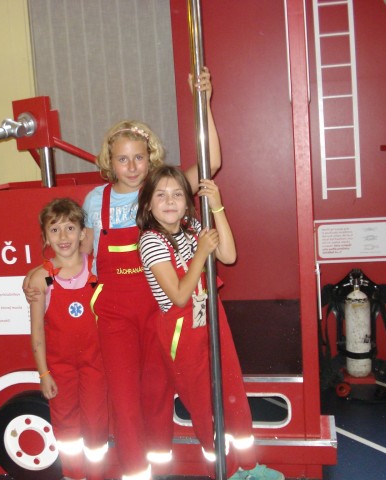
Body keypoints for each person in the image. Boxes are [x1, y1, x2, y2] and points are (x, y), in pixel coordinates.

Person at [26, 67, 220, 480]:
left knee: (157, 393)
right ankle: (135, 471)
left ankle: (159, 469)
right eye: (122, 158)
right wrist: (41, 269)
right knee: (124, 400)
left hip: (159, 311)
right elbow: (74, 251)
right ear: (109, 162)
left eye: (139, 157)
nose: (132, 166)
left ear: (151, 158)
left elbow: (212, 162)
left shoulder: (162, 192)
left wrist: (202, 101)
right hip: (113, 317)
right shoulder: (95, 200)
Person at [136, 165, 285, 480]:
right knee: (205, 407)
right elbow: (179, 296)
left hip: (211, 316)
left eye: (177, 194)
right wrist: (201, 253)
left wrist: (217, 207)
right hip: (181, 329)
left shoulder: (191, 226)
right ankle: (225, 472)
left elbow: (228, 255)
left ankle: (249, 466)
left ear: (187, 201)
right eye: (161, 195)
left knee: (232, 393)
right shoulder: (150, 241)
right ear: (148, 203)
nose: (170, 201)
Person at [27, 198, 108, 480]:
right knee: (66, 427)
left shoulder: (97, 270)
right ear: (45, 237)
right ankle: (73, 474)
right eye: (55, 229)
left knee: (97, 424)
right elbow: (37, 330)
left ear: (83, 233)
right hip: (60, 369)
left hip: (96, 365)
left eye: (70, 228)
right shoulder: (42, 279)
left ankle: (96, 475)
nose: (63, 236)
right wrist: (43, 373)